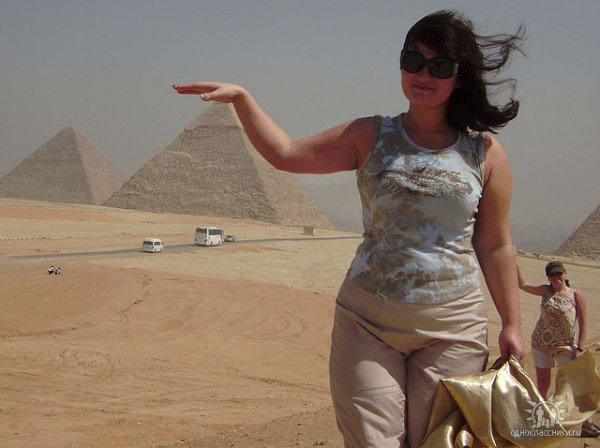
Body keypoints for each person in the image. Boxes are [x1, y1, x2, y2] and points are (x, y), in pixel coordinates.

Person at [173, 10, 525, 447]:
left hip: (453, 327)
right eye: (413, 61)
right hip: (367, 322)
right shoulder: (369, 135)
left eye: (439, 66)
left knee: (440, 442)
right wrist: (243, 99)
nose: (423, 75)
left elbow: (495, 245)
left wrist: (512, 323)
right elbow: (287, 153)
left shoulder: (485, 153)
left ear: (459, 76)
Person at [517, 259, 600, 437]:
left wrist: (580, 348)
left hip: (565, 346)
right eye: (552, 275)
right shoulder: (545, 291)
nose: (556, 278)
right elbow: (522, 284)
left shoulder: (576, 295)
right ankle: (539, 422)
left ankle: (587, 424)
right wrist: (512, 258)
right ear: (548, 277)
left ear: (565, 273)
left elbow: (583, 322)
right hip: (541, 344)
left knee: (576, 383)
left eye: (558, 274)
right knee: (543, 383)